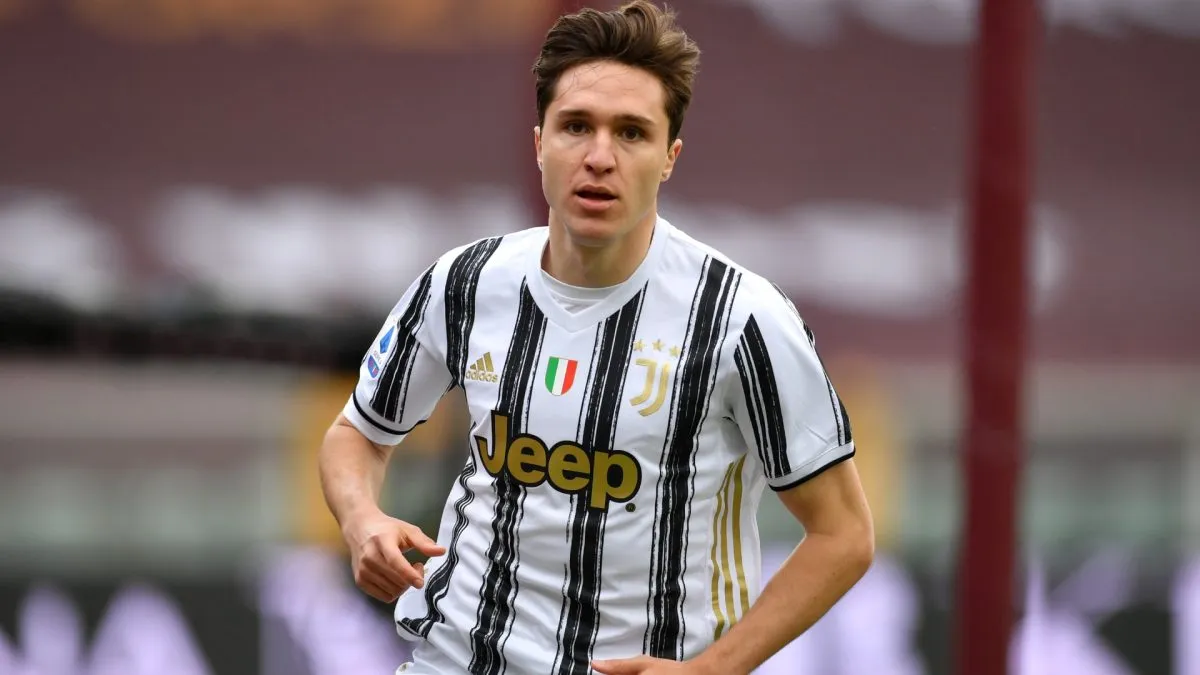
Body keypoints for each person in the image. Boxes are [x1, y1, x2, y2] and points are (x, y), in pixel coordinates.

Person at [317, 2, 875, 674]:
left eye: (632, 133)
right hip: (455, 658)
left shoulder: (740, 318)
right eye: (576, 126)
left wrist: (711, 669)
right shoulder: (466, 281)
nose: (600, 157)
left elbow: (844, 533)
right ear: (539, 144)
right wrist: (360, 519)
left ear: (669, 158)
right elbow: (359, 432)